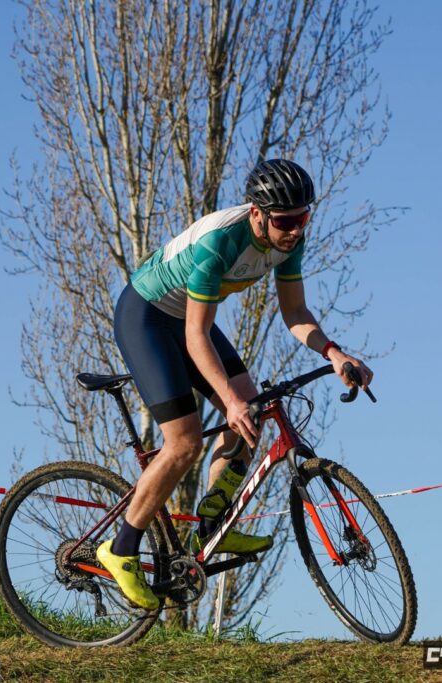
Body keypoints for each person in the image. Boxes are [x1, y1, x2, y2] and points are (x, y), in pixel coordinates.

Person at [96, 158, 374, 610]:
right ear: (257, 214)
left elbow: (295, 312)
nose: (295, 230)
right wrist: (228, 400)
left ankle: (212, 527)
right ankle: (121, 547)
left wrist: (334, 353)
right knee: (184, 443)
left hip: (189, 322)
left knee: (253, 409)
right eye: (285, 221)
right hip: (147, 318)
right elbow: (196, 336)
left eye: (303, 218)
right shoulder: (220, 240)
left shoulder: (289, 241)